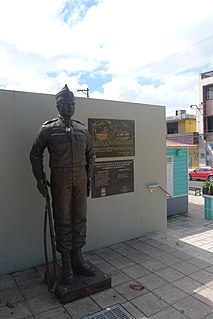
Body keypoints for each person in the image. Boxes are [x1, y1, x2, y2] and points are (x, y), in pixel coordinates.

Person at [30, 84, 95, 285]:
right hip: (60, 179)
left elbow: (91, 154)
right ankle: (65, 261)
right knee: (63, 219)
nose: (69, 107)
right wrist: (40, 179)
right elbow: (35, 153)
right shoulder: (48, 129)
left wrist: (89, 177)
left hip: (80, 178)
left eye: (72, 103)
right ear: (58, 105)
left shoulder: (82, 129)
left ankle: (77, 257)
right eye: (65, 104)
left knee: (80, 218)